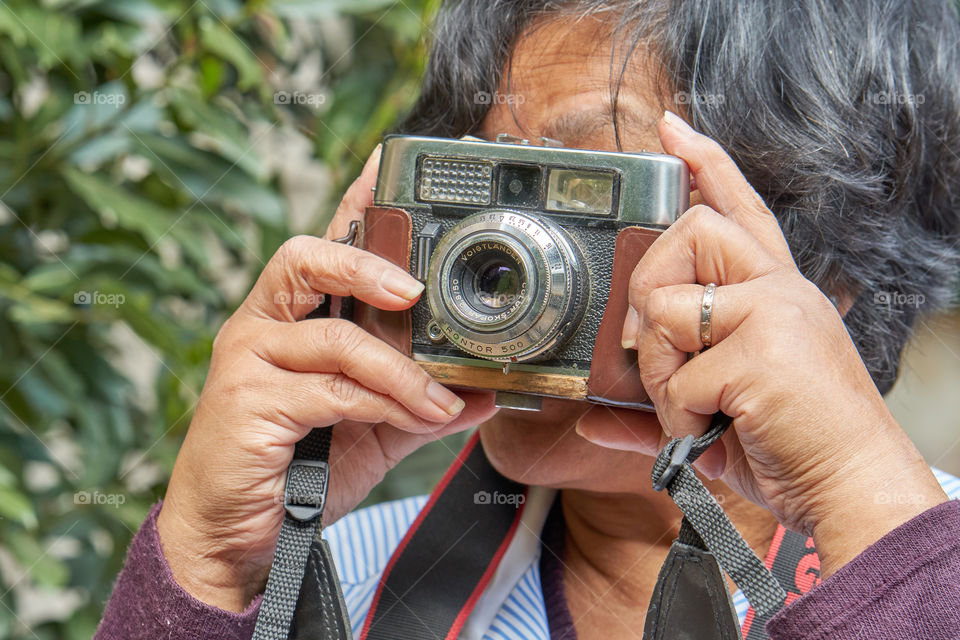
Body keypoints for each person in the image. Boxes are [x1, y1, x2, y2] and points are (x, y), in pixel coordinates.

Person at [95, 1, 960, 638]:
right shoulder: (334, 584)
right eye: (489, 180)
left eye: (587, 189)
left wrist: (874, 520)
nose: (501, 257)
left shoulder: (935, 574)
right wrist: (209, 565)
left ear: (832, 267)